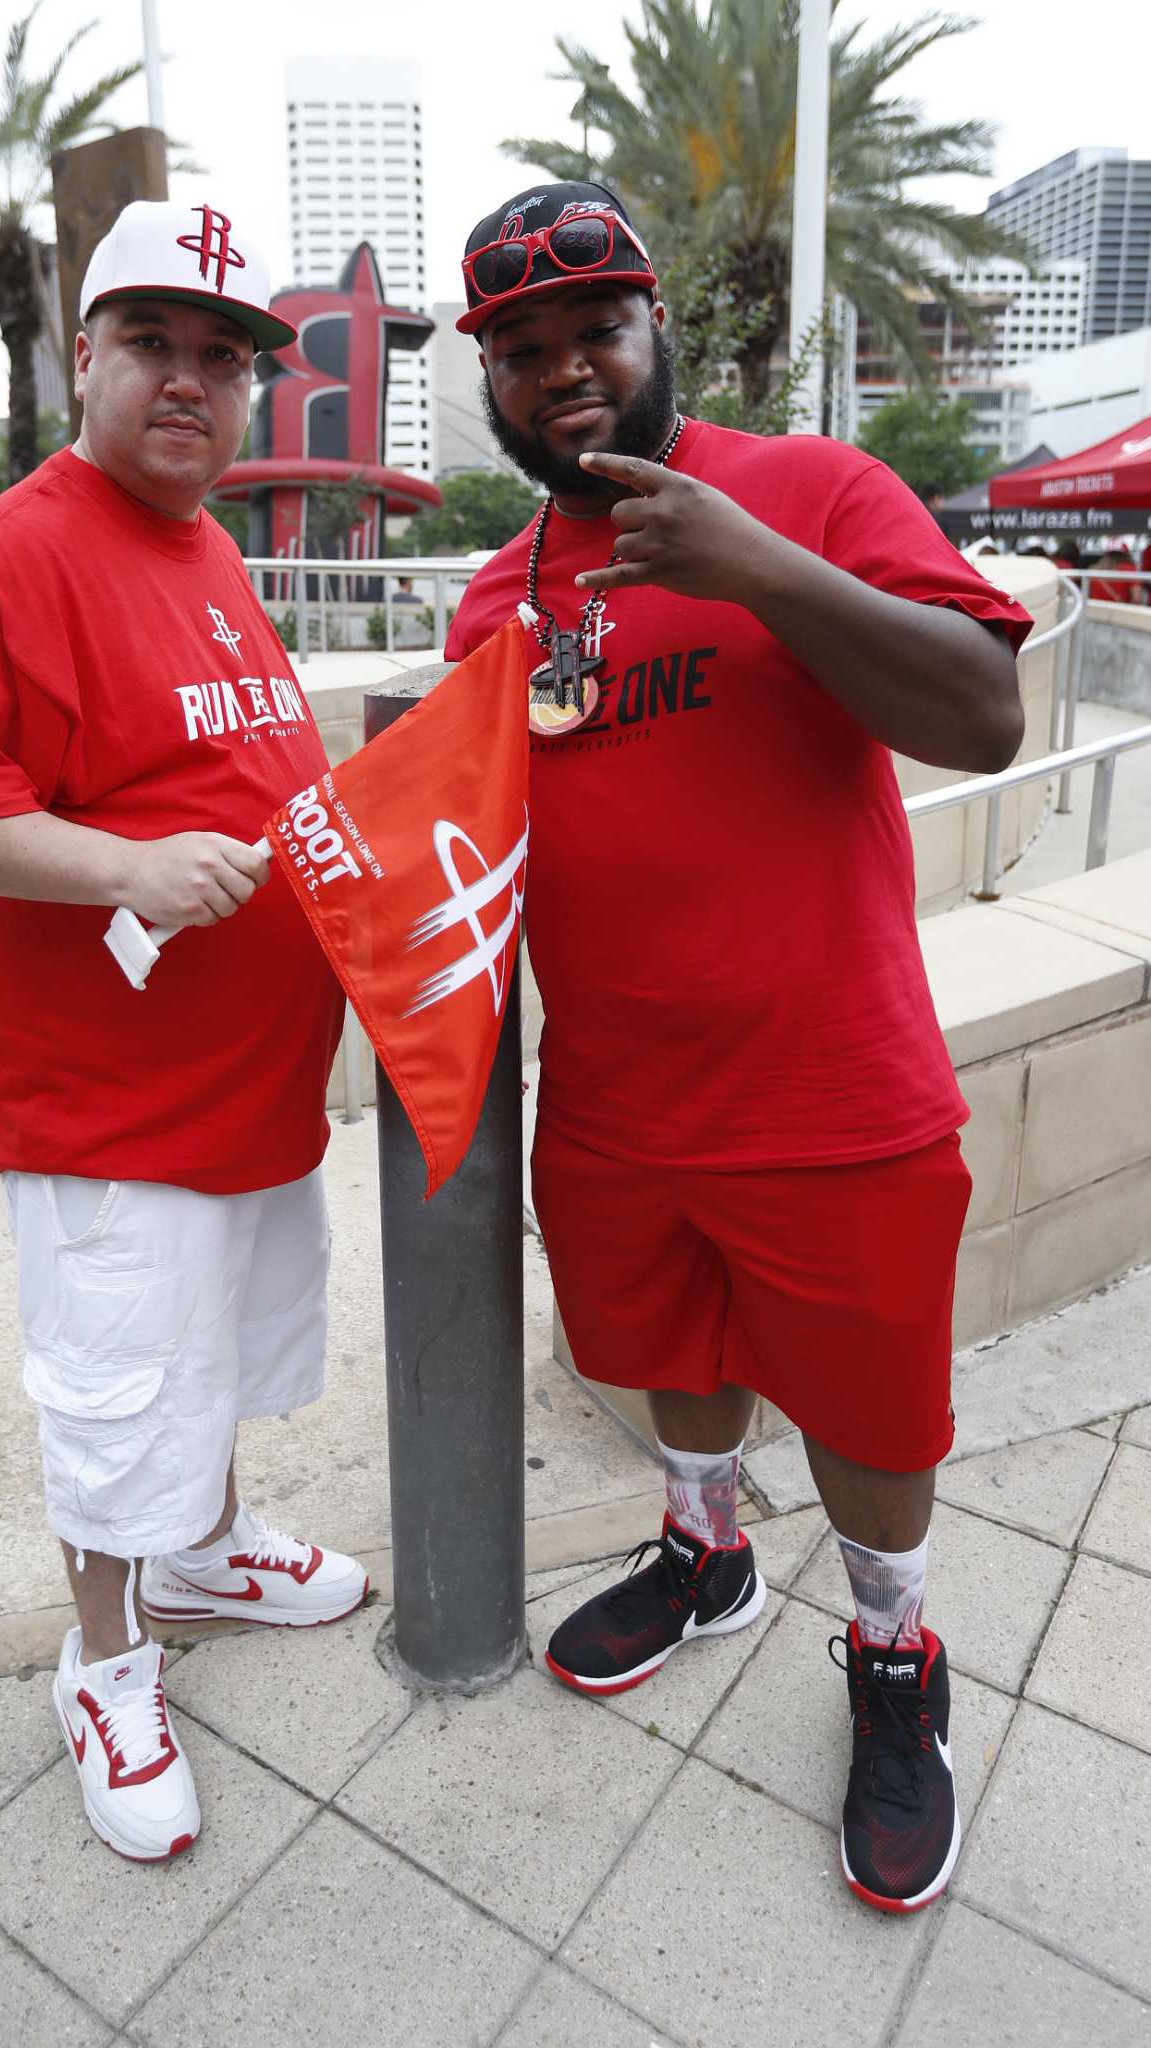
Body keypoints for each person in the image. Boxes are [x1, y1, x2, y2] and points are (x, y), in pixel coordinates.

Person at [445, 181, 1031, 1916]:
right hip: (616, 1108)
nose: (563, 372)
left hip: (827, 1097)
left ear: (654, 338)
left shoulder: (807, 491)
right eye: (524, 351)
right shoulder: (495, 595)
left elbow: (983, 714)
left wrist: (753, 567)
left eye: (593, 333)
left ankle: (893, 1649)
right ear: (489, 384)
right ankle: (705, 1552)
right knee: (665, 1360)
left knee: (866, 1414)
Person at [0, 197, 367, 1866]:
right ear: (84, 359)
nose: (190, 380)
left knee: (207, 1369)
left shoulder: (208, 548)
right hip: (111, 1110)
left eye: (224, 356)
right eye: (152, 342)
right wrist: (126, 864)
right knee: (117, 1395)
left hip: (247, 1096)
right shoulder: (0, 559)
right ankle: (106, 1658)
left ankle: (206, 1555)